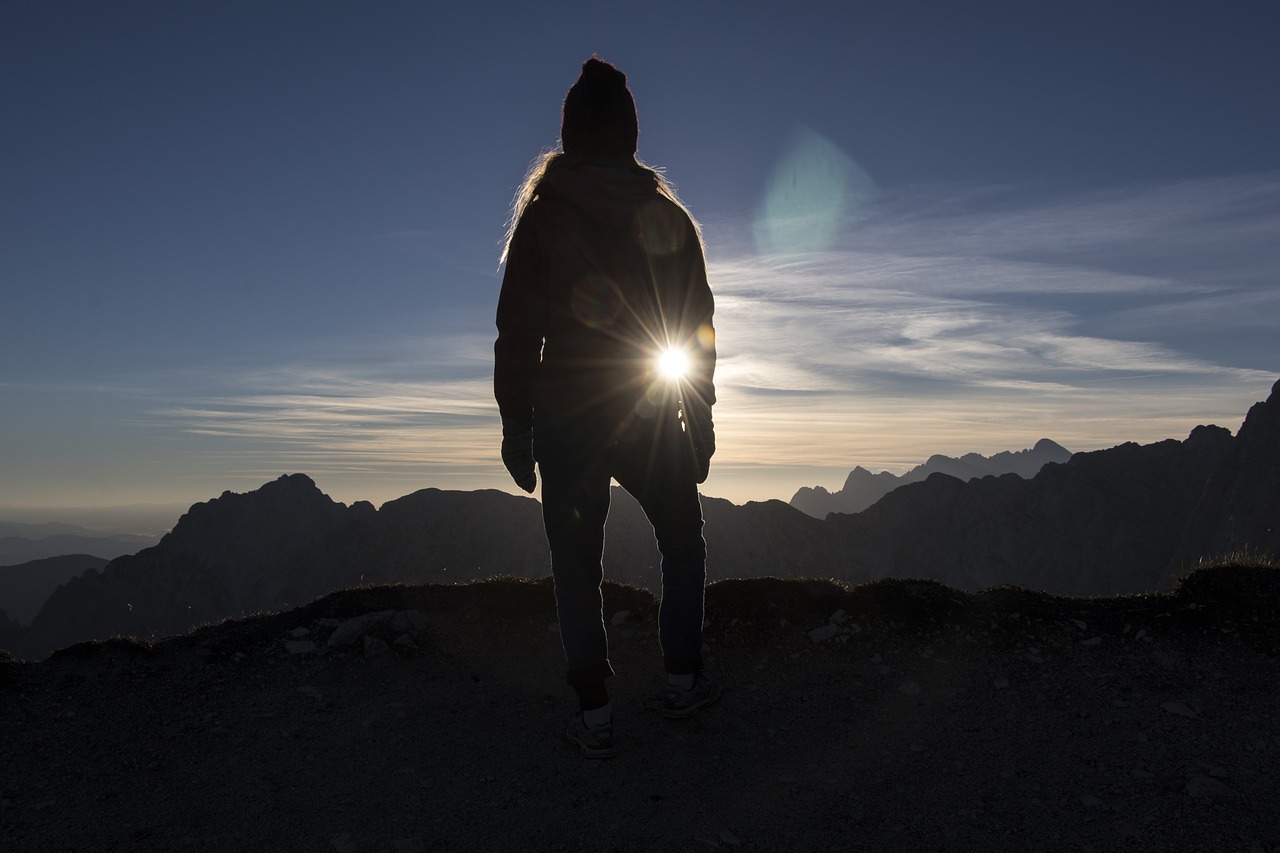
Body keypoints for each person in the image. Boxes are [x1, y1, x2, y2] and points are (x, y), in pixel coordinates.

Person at [494, 57, 720, 758]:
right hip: (649, 408)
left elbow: (517, 333)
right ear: (628, 135)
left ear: (570, 134)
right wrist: (701, 414)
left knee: (575, 563)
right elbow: (694, 329)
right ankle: (682, 680)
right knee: (682, 541)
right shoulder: (666, 215)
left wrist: (516, 424)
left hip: (564, 415)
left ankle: (594, 715)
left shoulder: (543, 217)